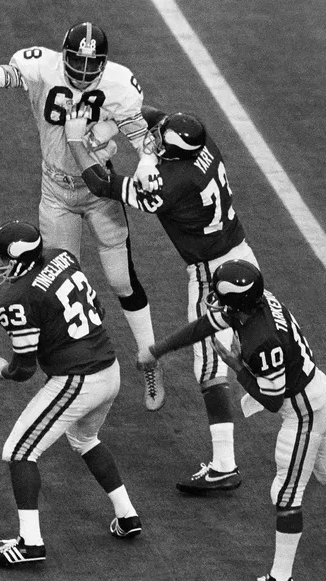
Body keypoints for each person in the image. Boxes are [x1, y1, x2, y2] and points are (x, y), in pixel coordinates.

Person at [0, 15, 165, 411]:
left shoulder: (119, 84)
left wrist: (147, 164)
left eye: (92, 65)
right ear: (63, 55)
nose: (83, 73)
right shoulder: (40, 66)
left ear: (103, 63)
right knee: (62, 286)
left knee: (121, 280)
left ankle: (149, 358)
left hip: (100, 188)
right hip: (55, 191)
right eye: (77, 63)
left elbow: (141, 136)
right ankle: (77, 372)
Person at [65, 106, 259, 493]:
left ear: (175, 154)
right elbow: (158, 118)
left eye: (161, 142)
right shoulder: (203, 146)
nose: (153, 139)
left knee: (210, 369)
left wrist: (75, 139)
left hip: (213, 273)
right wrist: (118, 110)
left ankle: (224, 465)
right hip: (241, 254)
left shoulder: (169, 185)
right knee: (258, 345)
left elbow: (102, 184)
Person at [140, 260, 326, 581]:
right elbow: (203, 327)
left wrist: (239, 369)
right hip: (315, 396)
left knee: (285, 495)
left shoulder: (263, 340)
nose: (216, 303)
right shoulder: (256, 302)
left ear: (238, 302)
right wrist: (156, 351)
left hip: (304, 412)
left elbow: (272, 400)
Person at [0, 220, 141, 568]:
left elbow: (24, 369)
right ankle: (127, 515)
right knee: (85, 439)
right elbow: (97, 310)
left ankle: (30, 543)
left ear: (18, 258)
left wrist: (0, 371)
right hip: (109, 368)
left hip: (78, 379)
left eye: (2, 258)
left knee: (19, 451)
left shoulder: (17, 298)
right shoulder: (61, 257)